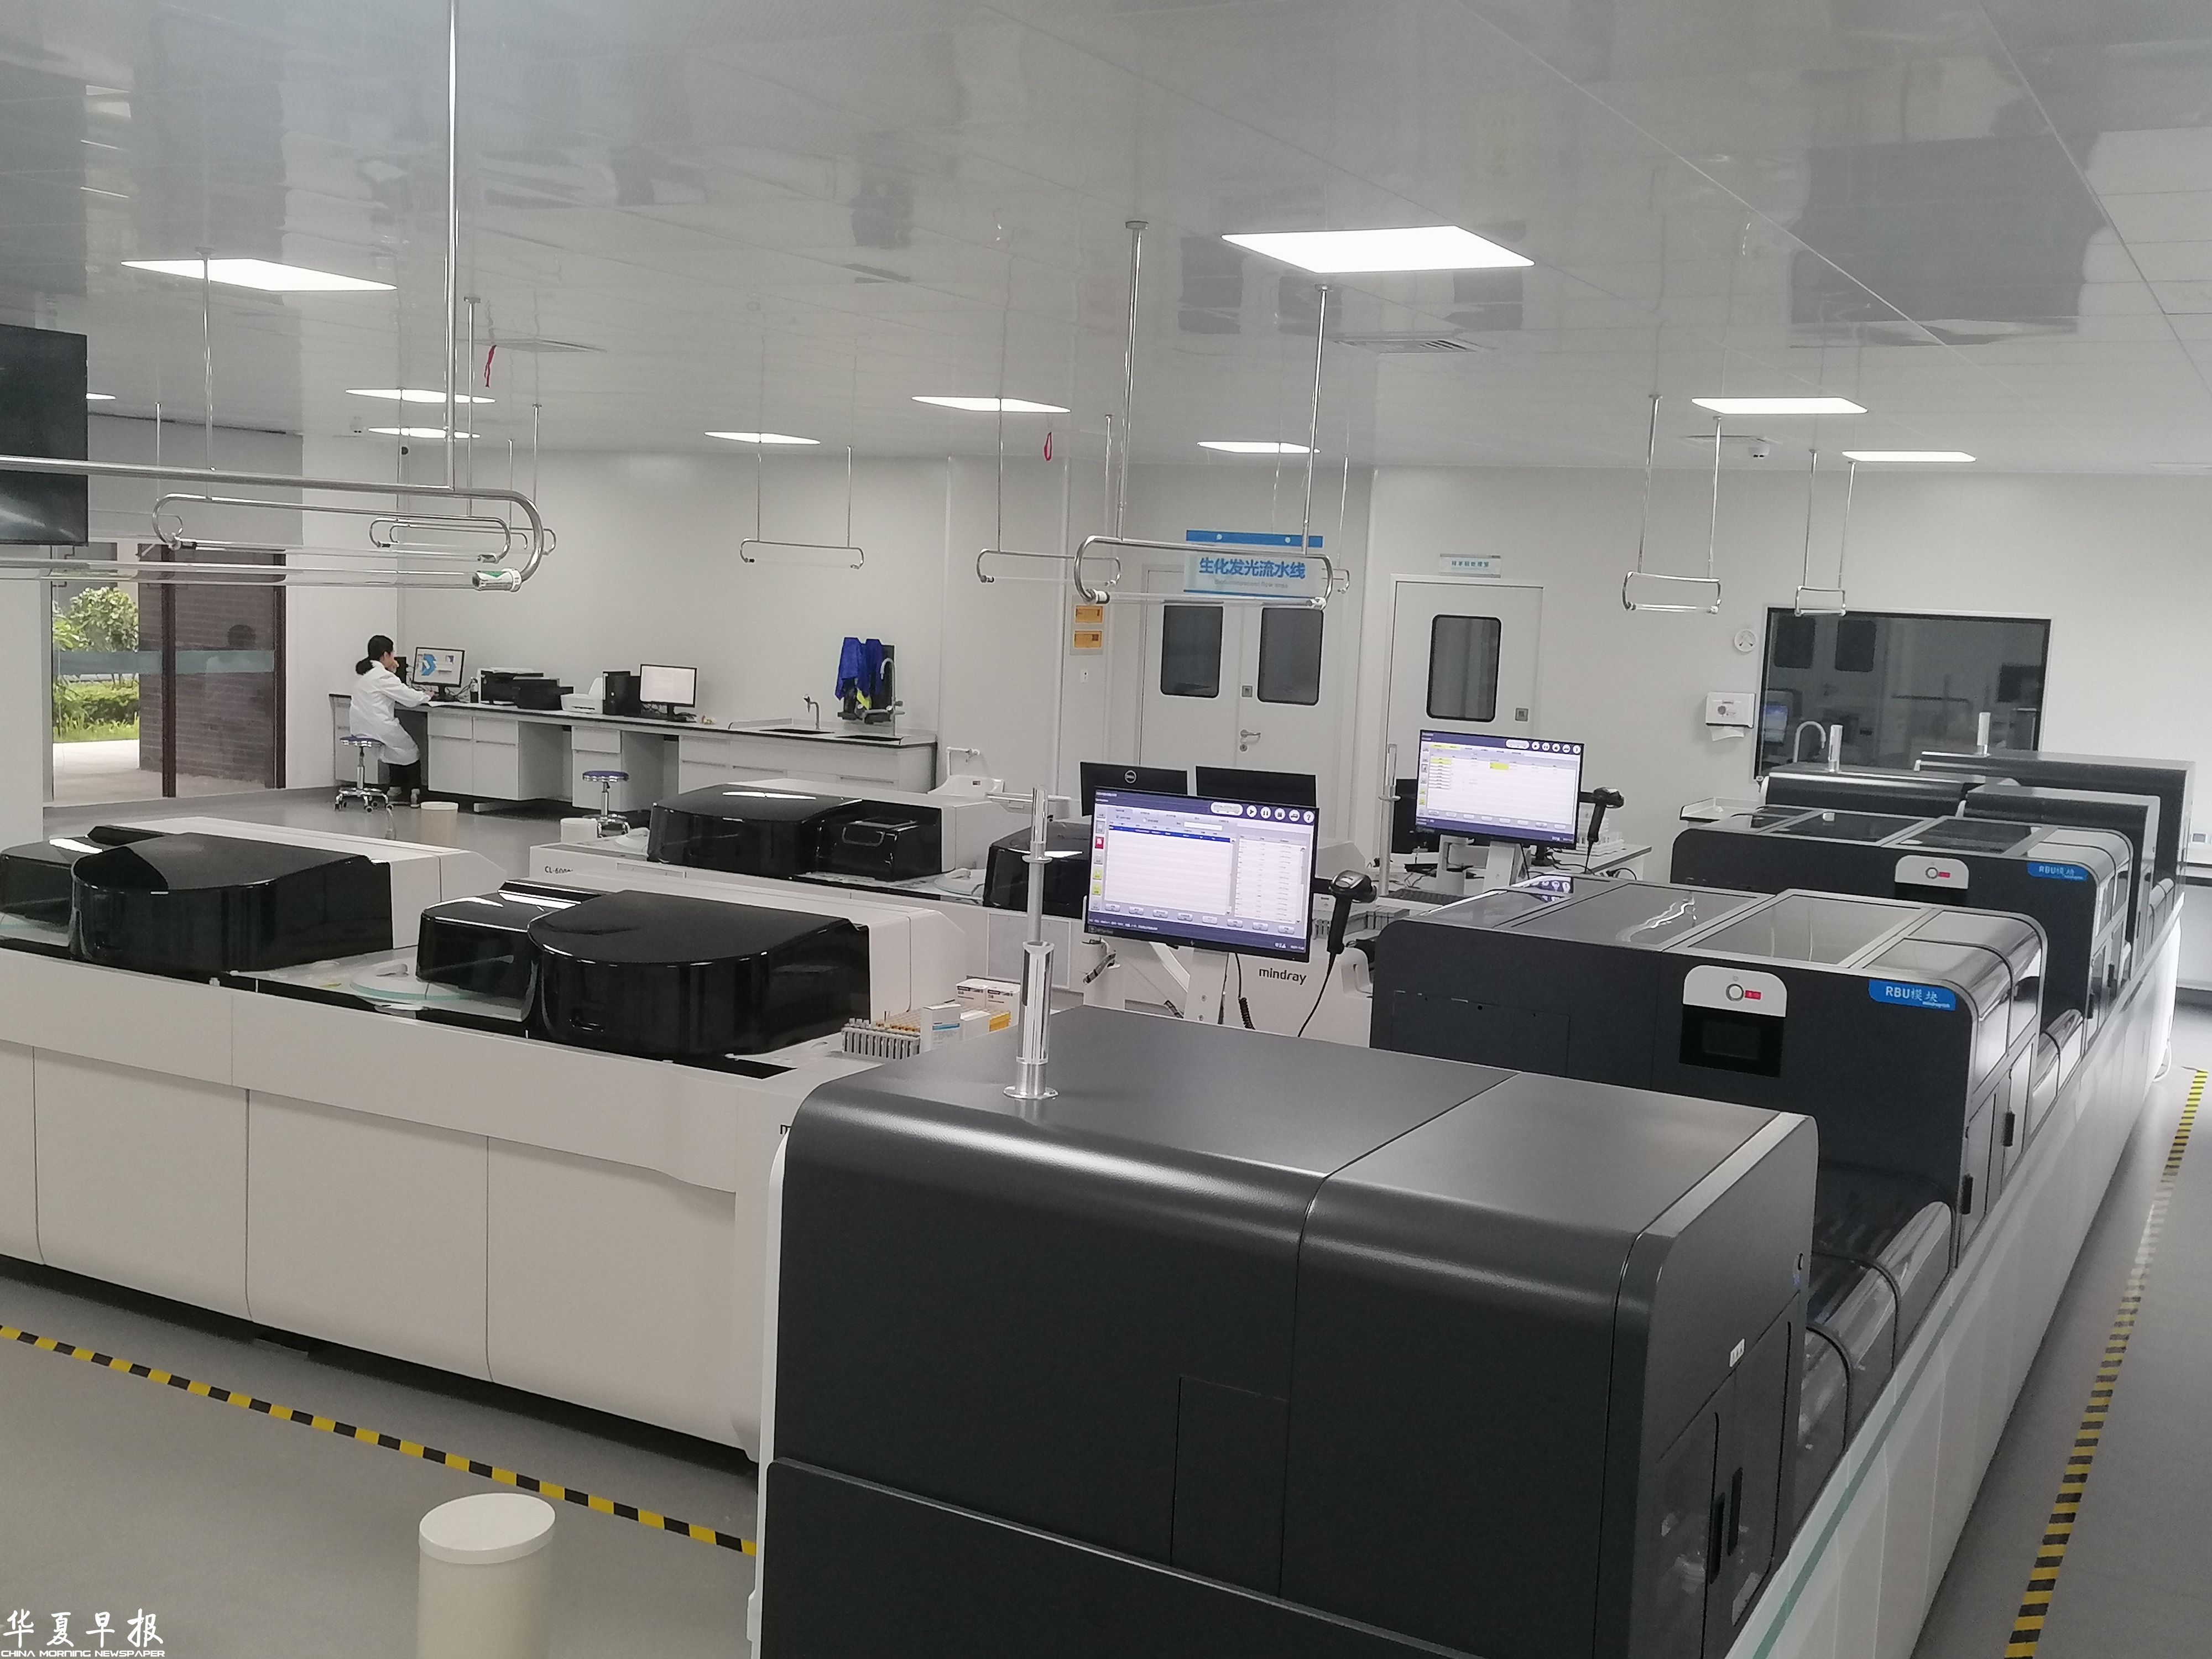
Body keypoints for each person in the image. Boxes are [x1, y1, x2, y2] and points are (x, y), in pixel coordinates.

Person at [349, 634, 430, 802]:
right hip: (379, 726)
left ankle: (395, 787)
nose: (394, 658)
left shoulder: (365, 673)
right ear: (386, 655)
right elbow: (410, 699)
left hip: (359, 727)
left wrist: (392, 673)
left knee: (394, 749)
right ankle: (415, 791)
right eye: (392, 654)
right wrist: (426, 696)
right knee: (410, 749)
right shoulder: (383, 676)